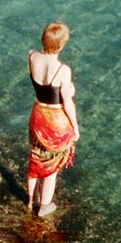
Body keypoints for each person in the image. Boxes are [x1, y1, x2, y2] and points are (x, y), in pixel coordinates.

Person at [27, 21, 80, 217]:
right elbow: (67, 102)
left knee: (35, 155)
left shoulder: (32, 56)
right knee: (51, 167)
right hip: (55, 120)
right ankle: (44, 206)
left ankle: (30, 199)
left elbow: (42, 88)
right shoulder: (63, 70)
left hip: (37, 114)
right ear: (61, 45)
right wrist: (75, 127)